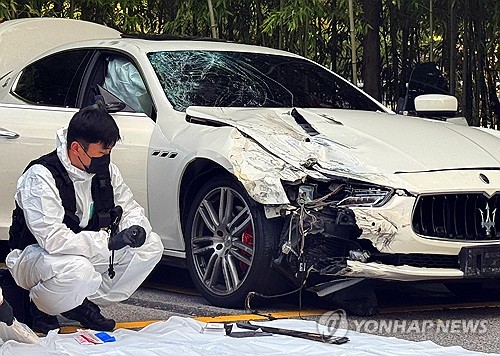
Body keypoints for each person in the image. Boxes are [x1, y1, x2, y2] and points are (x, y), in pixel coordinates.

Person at [5, 102, 163, 334]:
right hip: (35, 258)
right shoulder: (41, 176)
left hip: (84, 253)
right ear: (77, 148)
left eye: (109, 152)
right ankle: (40, 305)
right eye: (101, 153)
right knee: (78, 270)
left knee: (151, 245)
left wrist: (134, 229)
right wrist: (108, 243)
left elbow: (128, 206)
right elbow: (53, 239)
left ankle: (75, 302)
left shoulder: (105, 173)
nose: (106, 159)